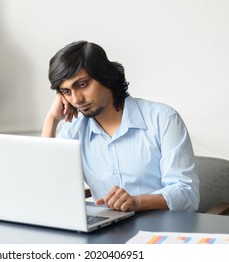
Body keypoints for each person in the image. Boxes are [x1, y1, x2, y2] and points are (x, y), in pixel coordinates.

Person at [42, 40, 199, 213]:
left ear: (104, 76)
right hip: (106, 234)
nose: (76, 99)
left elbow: (187, 194)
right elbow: (47, 188)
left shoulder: (163, 119)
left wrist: (137, 202)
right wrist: (51, 120)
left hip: (162, 230)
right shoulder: (73, 132)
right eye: (66, 92)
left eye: (82, 84)